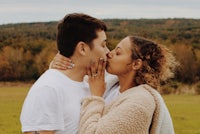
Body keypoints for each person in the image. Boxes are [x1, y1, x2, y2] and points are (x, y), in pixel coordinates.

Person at [52, 36, 177, 133]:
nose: (109, 54)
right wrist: (60, 65)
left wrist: (96, 97)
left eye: (118, 53)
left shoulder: (140, 104)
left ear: (136, 64)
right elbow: (71, 85)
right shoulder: (110, 83)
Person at [20, 13, 112, 134]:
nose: (108, 52)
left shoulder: (93, 85)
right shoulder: (48, 88)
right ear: (82, 49)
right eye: (103, 45)